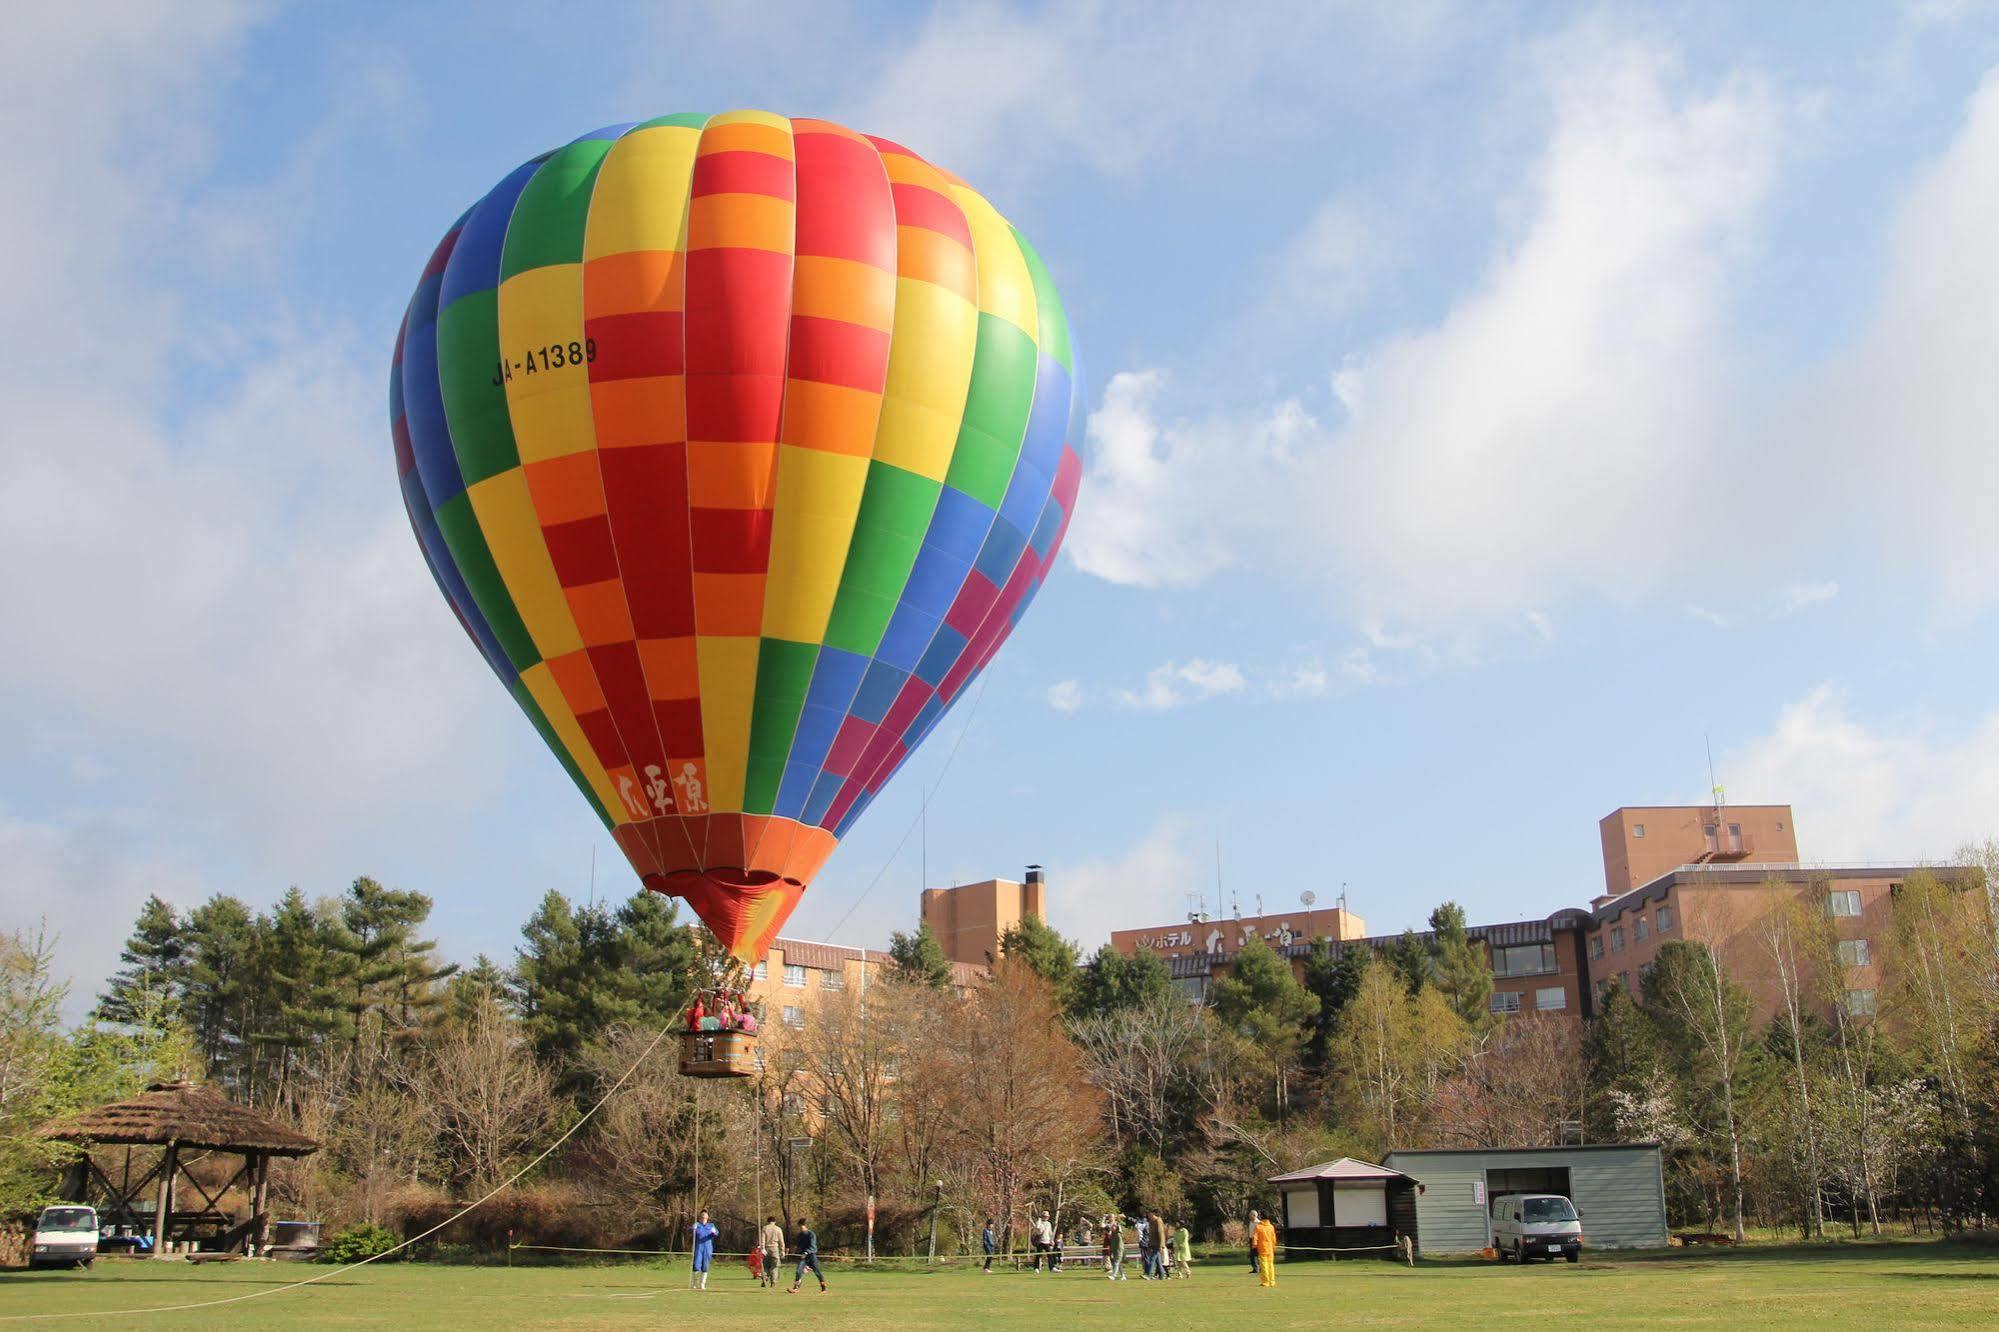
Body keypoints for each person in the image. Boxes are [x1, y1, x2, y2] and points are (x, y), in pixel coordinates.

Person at [787, 1217, 826, 1294]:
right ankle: (796, 1288)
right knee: (798, 1272)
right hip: (803, 1257)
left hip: (811, 1256)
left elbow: (813, 1246)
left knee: (817, 1272)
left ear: (805, 1226)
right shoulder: (800, 1235)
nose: (801, 1228)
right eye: (800, 1226)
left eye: (802, 1226)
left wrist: (806, 1252)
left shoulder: (811, 1234)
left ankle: (823, 1288)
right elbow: (798, 1245)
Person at [690, 1210, 718, 1291]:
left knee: (705, 1266)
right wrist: (693, 1228)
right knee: (696, 1265)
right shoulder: (697, 1225)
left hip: (707, 1247)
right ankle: (695, 1283)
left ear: (707, 1218)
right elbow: (691, 1230)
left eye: (705, 1217)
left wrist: (714, 1231)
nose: (703, 1219)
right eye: (702, 1217)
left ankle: (702, 1284)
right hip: (699, 1247)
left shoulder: (711, 1225)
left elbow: (716, 1233)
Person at [1252, 1210, 1278, 1288]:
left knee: (1264, 1266)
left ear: (1261, 1216)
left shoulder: (1258, 1227)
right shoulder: (1271, 1227)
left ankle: (1265, 1282)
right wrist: (1273, 1247)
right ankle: (1272, 1281)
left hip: (1262, 1249)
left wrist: (1254, 1246)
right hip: (1270, 1249)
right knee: (1271, 1265)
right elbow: (1274, 1239)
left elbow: (1255, 1238)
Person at [760, 1215, 785, 1288]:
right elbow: (781, 1241)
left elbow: (762, 1239)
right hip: (775, 1249)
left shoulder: (765, 1228)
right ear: (775, 1221)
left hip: (767, 1249)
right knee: (774, 1266)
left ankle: (765, 1278)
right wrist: (782, 1250)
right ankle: (773, 1281)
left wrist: (762, 1248)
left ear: (768, 1221)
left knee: (766, 1266)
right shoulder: (778, 1229)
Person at [1147, 1212, 1166, 1280]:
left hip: (1158, 1244)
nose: (1148, 1216)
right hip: (1152, 1243)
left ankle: (1149, 1275)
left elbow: (1161, 1234)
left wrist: (1161, 1245)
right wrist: (1149, 1244)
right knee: (1158, 1261)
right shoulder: (1151, 1222)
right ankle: (1162, 1275)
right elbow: (1150, 1234)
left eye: (1149, 1214)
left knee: (1152, 1259)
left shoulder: (1158, 1221)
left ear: (1153, 1214)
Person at [1108, 1215, 1128, 1280]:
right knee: (1118, 1263)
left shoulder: (1118, 1232)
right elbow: (1102, 1226)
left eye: (1110, 1217)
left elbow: (1115, 1226)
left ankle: (1113, 1276)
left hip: (1119, 1248)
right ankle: (1123, 1276)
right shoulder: (1112, 1233)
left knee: (1116, 1261)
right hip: (1114, 1248)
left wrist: (1117, 1217)